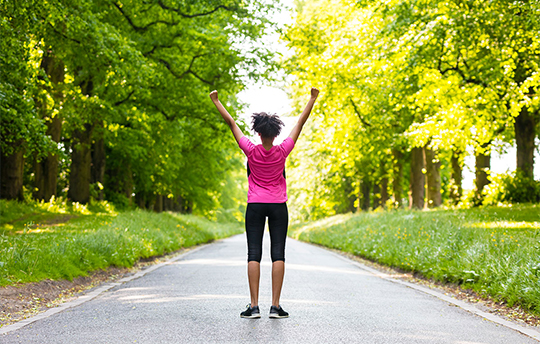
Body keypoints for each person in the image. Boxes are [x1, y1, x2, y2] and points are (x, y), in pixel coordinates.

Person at [209, 87, 320, 319]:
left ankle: (254, 306)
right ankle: (276, 306)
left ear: (258, 133)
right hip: (278, 205)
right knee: (278, 253)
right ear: (276, 134)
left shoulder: (250, 150)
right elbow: (300, 123)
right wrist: (312, 99)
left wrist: (216, 101)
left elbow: (231, 123)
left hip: (255, 206)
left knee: (253, 253)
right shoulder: (283, 151)